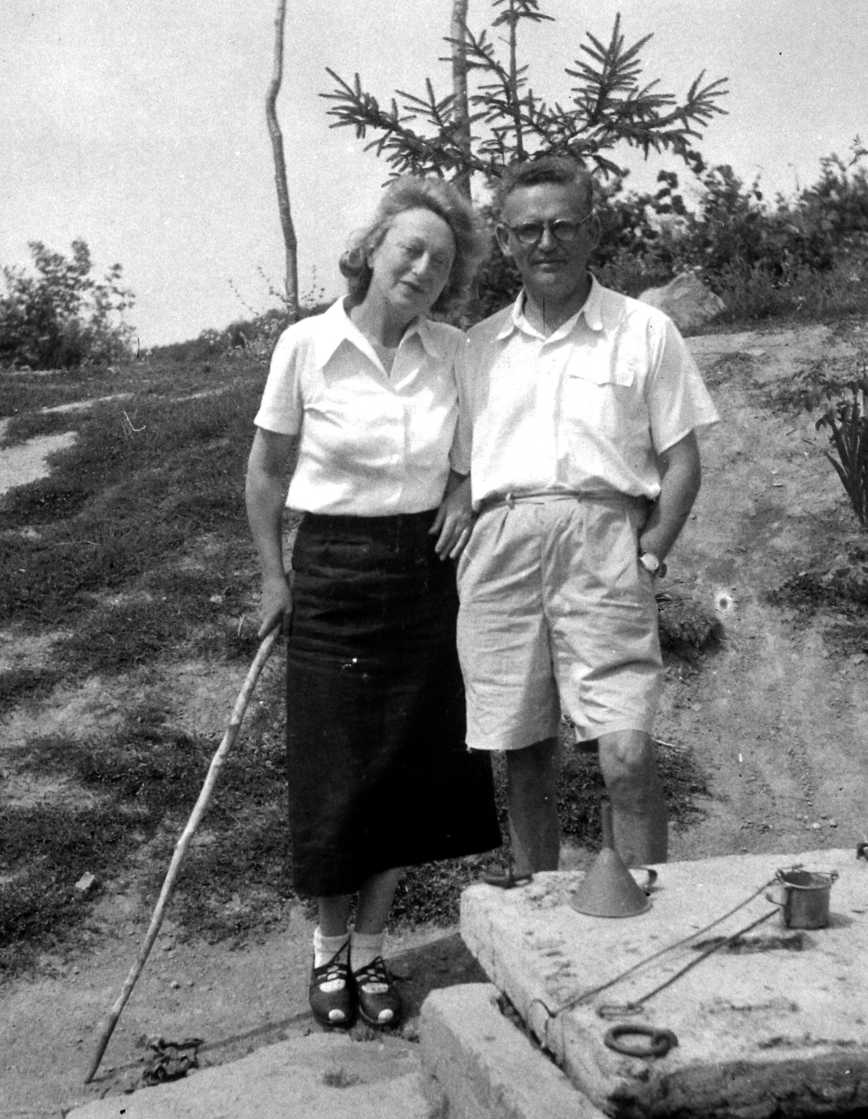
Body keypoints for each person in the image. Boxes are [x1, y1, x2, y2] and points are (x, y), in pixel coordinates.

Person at [246, 178, 501, 1031]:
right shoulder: (306, 346)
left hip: (424, 573)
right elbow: (268, 472)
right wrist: (274, 576)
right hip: (331, 569)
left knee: (400, 770)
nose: (424, 268)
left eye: (442, 260)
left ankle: (373, 949)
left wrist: (462, 494)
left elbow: (471, 458)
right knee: (335, 772)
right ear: (374, 247)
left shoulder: (455, 351)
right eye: (411, 249)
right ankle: (327, 953)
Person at [452, 153, 719, 875]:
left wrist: (652, 551)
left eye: (563, 225)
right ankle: (542, 927)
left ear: (591, 231)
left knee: (626, 756)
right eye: (528, 229)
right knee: (525, 760)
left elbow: (683, 462)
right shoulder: (476, 347)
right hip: (502, 549)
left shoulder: (645, 330)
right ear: (504, 241)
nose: (547, 243)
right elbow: (458, 462)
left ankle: (648, 918)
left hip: (605, 543)